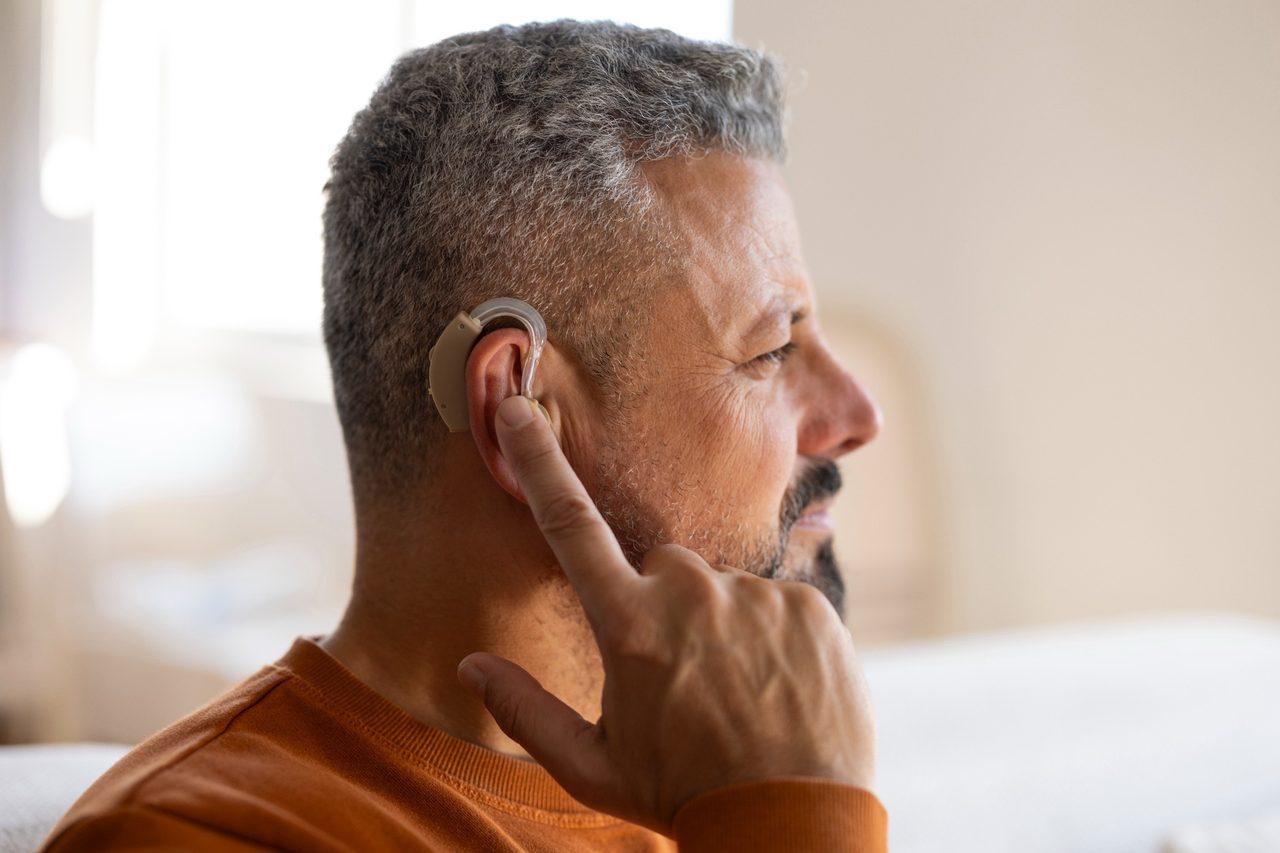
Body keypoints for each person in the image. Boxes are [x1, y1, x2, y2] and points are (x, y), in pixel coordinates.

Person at [43, 19, 887, 852]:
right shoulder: (194, 833)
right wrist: (799, 821)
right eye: (773, 347)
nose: (858, 415)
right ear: (515, 405)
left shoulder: (710, 779)